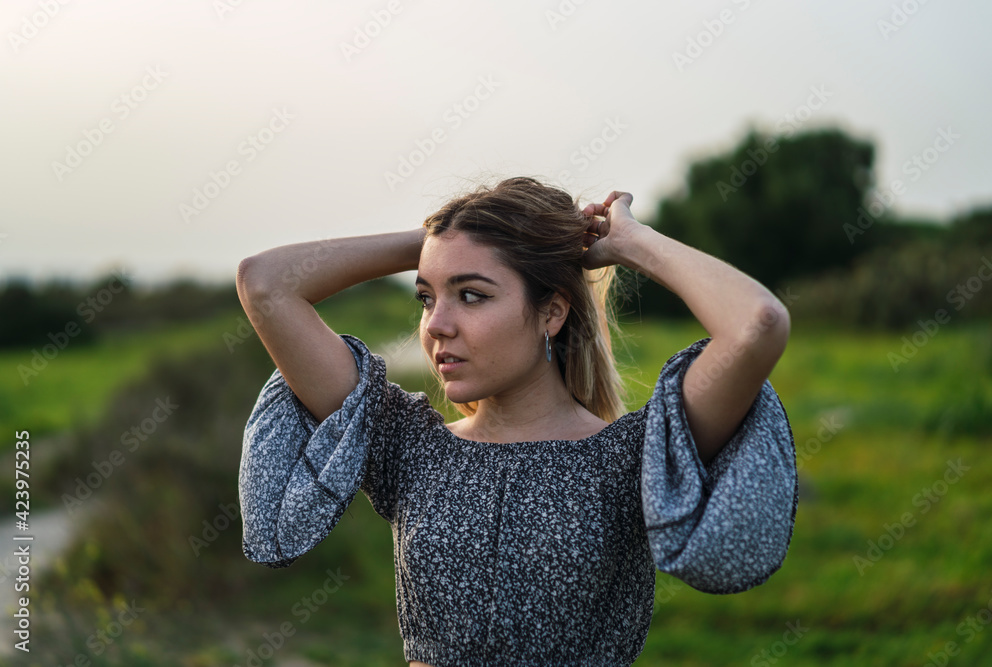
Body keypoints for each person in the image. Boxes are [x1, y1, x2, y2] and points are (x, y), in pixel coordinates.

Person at [236, 177, 798, 667]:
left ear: (551, 312)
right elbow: (265, 283)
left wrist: (630, 243)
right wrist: (439, 243)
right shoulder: (404, 446)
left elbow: (759, 322)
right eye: (428, 298)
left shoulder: (634, 456)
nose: (437, 326)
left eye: (472, 295)